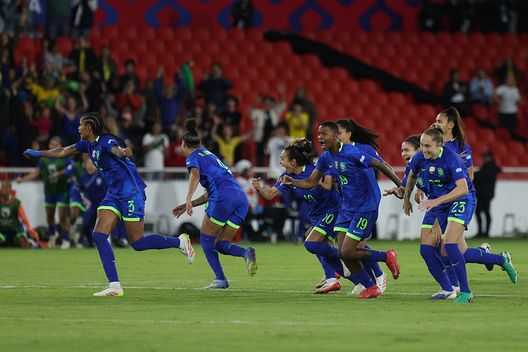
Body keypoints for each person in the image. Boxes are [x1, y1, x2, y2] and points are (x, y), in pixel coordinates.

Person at [23, 112, 195, 297]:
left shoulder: (106, 142)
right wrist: (39, 153)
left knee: (137, 243)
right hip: (113, 195)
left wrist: (123, 152)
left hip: (131, 193)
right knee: (98, 235)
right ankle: (115, 285)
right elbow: (64, 150)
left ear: (89, 127)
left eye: (81, 125)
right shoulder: (87, 144)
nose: (78, 128)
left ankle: (180, 241)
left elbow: (117, 151)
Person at [281, 121, 402, 299]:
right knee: (343, 252)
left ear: (337, 136)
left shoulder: (353, 153)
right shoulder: (325, 158)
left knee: (348, 251)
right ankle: (370, 287)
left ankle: (386, 257)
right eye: (319, 134)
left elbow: (380, 165)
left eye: (324, 134)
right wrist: (294, 182)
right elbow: (311, 182)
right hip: (346, 207)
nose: (320, 137)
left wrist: (402, 187)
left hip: (364, 207)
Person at [403, 127, 517, 304]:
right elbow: (412, 175)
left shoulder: (451, 158)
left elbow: (463, 188)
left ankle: (465, 291)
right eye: (422, 145)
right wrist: (406, 198)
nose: (424, 149)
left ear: (439, 145)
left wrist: (437, 201)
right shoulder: (420, 157)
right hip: (438, 203)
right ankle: (498, 259)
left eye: (428, 146)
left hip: (461, 200)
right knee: (444, 251)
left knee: (449, 245)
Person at [252, 138, 347, 294]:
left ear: (293, 162)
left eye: (283, 159)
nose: (280, 162)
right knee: (316, 242)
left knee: (314, 241)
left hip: (333, 210)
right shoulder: (286, 176)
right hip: (317, 214)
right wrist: (259, 188)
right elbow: (270, 195)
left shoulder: (314, 171)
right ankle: (336, 271)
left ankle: (338, 272)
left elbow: (329, 186)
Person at [172, 118, 257, 289]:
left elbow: (195, 176)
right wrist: (189, 204)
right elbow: (211, 192)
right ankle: (245, 253)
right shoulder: (209, 154)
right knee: (221, 244)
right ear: (200, 142)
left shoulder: (192, 157)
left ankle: (220, 279)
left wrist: (188, 197)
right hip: (240, 197)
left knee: (205, 238)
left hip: (223, 197)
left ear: (183, 143)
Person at [335, 118, 388, 295]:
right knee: (347, 249)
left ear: (348, 134)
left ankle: (378, 277)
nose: (336, 136)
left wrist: (401, 185)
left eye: (339, 133)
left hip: (367, 203)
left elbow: (382, 165)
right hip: (348, 204)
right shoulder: (334, 152)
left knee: (354, 247)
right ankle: (365, 281)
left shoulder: (363, 149)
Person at [16, 137, 71, 248]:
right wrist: (23, 179)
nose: (53, 145)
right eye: (51, 143)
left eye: (56, 143)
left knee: (62, 217)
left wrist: (59, 173)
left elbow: (71, 168)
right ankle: (52, 236)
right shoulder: (44, 159)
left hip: (62, 191)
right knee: (49, 217)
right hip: (49, 192)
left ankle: (66, 240)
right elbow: (36, 173)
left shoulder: (65, 157)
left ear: (60, 146)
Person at [474, 151, 501, 238]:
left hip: (484, 193)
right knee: (484, 212)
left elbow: (480, 176)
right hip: (486, 193)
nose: (485, 158)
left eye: (486, 156)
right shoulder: (490, 166)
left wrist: (471, 175)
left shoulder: (489, 167)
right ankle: (483, 232)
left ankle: (483, 232)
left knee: (482, 212)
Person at [0, 181, 35, 248]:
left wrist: (29, 229)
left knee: (25, 246)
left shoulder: (16, 202)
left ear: (10, 189)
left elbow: (24, 218)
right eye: (2, 187)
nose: (4, 189)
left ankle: (31, 242)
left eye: (6, 187)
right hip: (2, 231)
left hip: (15, 230)